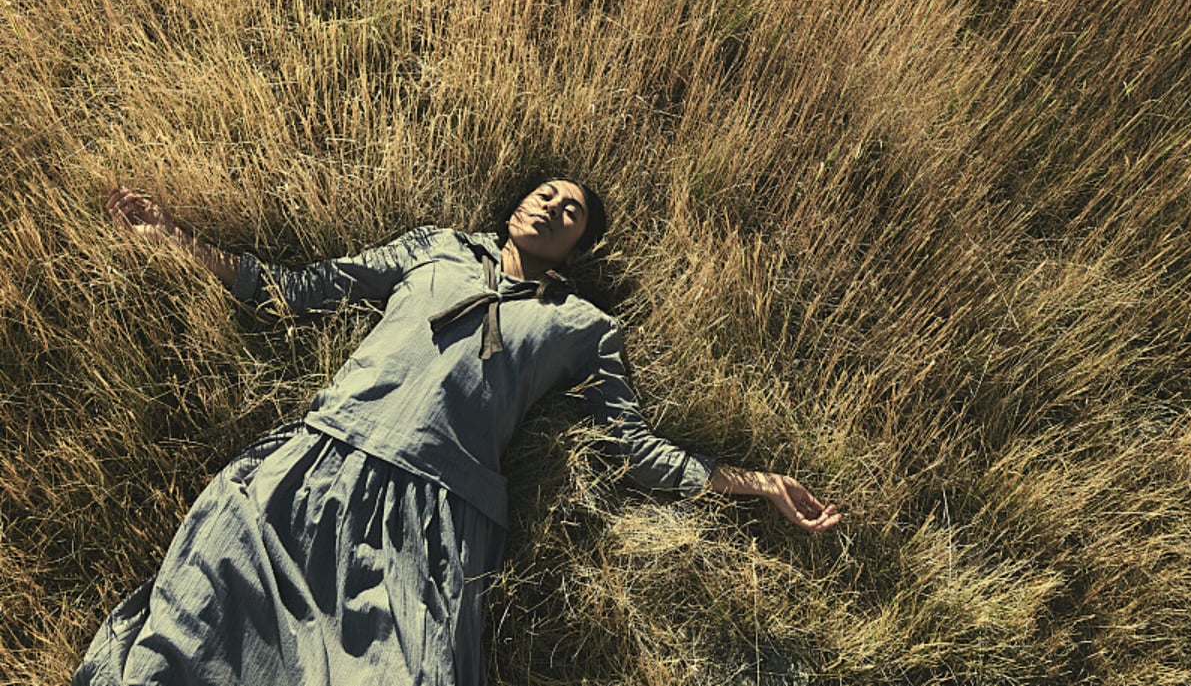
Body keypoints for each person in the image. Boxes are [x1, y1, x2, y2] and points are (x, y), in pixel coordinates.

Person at [76, 179, 841, 685]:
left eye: (569, 211)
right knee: (192, 635)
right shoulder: (433, 248)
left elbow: (634, 446)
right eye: (543, 194)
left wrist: (758, 482)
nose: (549, 207)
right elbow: (298, 287)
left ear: (580, 245)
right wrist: (175, 238)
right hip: (315, 469)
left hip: (431, 519)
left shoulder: (584, 325)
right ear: (515, 204)